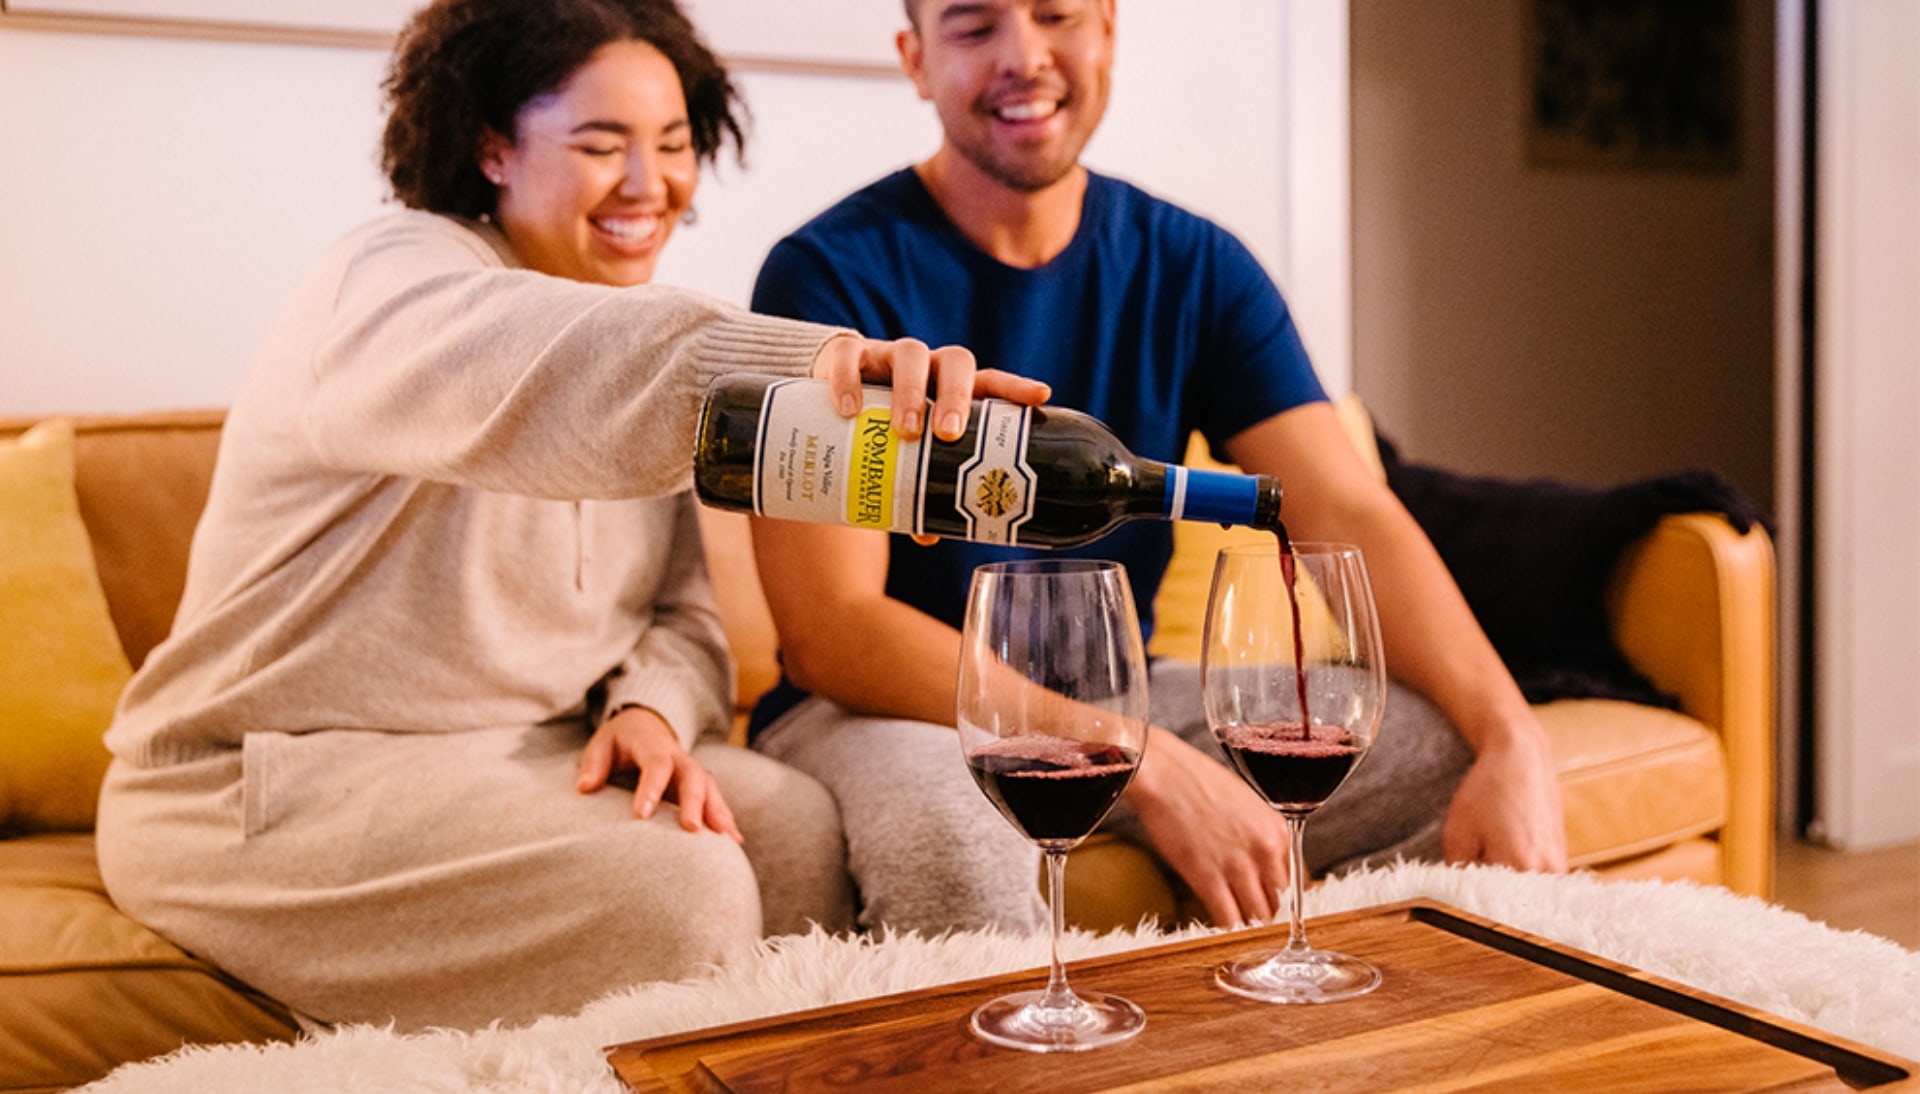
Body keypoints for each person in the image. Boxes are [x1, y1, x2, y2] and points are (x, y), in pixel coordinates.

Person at [93, 0, 1040, 1032]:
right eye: (601, 144)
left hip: (526, 754)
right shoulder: (387, 284)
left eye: (675, 145)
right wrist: (798, 360)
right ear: (492, 147)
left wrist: (648, 708)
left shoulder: (640, 336)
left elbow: (682, 620)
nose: (650, 184)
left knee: (797, 826)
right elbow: (544, 356)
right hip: (266, 779)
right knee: (682, 888)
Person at [744, 0, 1569, 935]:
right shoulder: (823, 276)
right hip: (884, 710)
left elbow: (1342, 507)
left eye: (1056, 15)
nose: (1024, 57)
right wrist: (1147, 762)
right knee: (958, 834)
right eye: (973, 28)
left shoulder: (1196, 265)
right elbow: (835, 632)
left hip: (1112, 684)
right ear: (916, 60)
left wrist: (1514, 733)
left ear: (1107, 31)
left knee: (1439, 754)